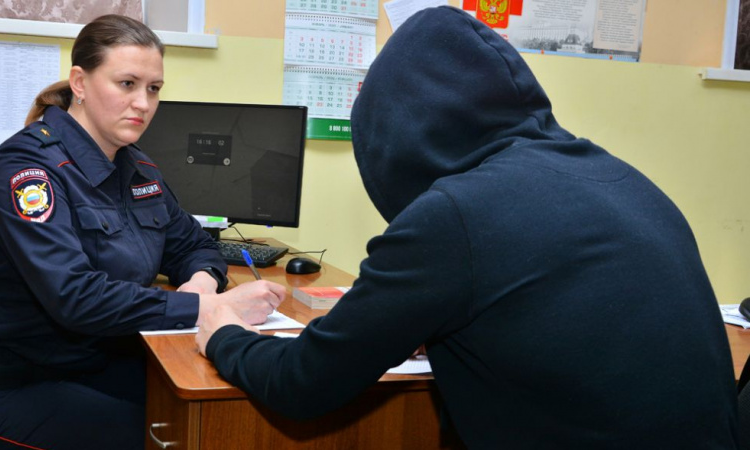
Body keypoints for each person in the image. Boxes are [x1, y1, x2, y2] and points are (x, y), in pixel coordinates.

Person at [196, 6, 738, 448]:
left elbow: (303, 383)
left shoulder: (452, 214)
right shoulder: (619, 175)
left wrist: (221, 334)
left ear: (393, 134)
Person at [0, 14, 284, 450]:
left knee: (228, 408)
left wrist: (202, 281)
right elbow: (74, 296)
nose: (144, 103)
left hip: (91, 358)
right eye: (127, 84)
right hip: (2, 382)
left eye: (154, 88)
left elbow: (194, 245)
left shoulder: (136, 167)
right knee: (168, 436)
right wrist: (203, 310)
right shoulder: (26, 171)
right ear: (79, 82)